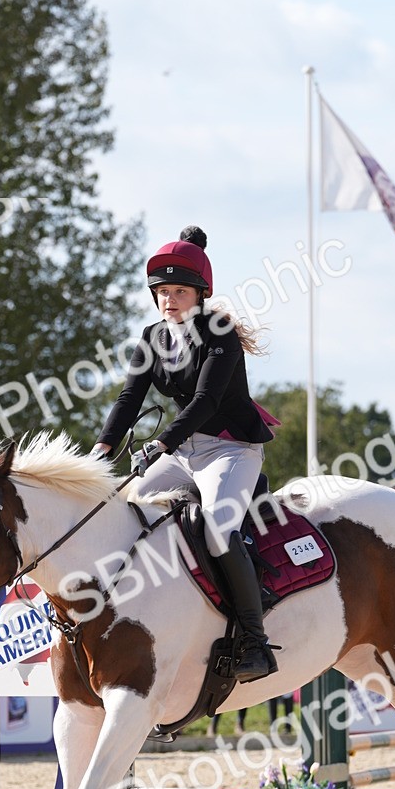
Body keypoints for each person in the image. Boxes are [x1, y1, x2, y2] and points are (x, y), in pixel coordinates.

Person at [92, 225, 279, 683]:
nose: (169, 299)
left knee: (217, 530)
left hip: (231, 450)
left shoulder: (220, 334)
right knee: (128, 510)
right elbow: (127, 399)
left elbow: (206, 402)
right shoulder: (151, 336)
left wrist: (159, 446)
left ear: (200, 295)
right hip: (184, 450)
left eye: (179, 291)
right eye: (162, 291)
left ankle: (254, 640)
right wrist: (100, 452)